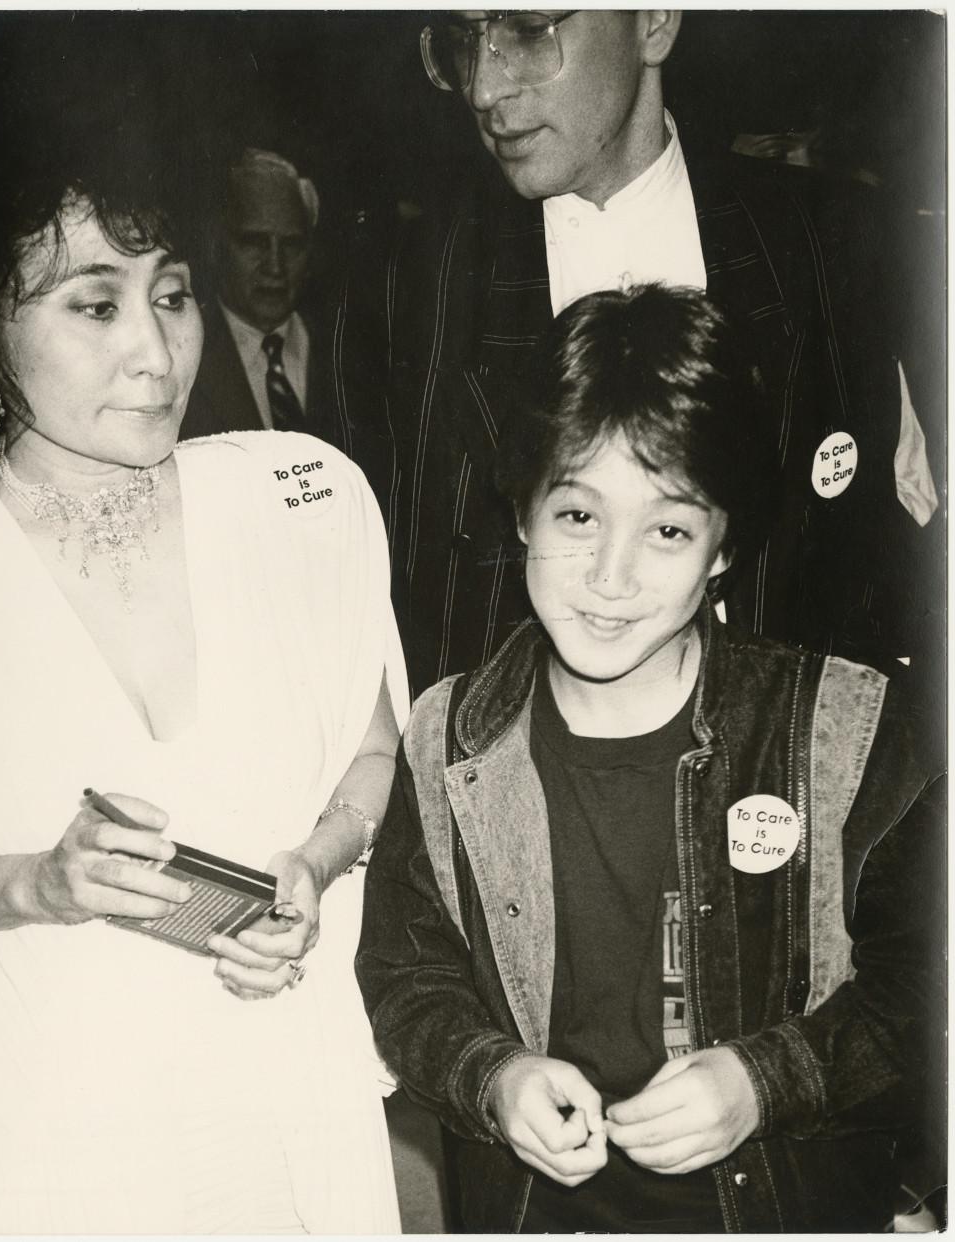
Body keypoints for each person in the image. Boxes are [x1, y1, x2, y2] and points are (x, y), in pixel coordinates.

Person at [356, 285, 944, 1233]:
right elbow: (403, 975)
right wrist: (491, 1077)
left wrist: (768, 1079)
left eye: (668, 529)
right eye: (578, 518)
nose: (612, 578)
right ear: (521, 516)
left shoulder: (847, 726)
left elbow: (926, 984)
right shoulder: (447, 738)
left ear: (723, 549)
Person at [0, 139, 407, 1234]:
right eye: (94, 306)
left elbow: (372, 748)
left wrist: (315, 860)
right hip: (55, 1137)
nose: (157, 355)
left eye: (171, 297)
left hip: (292, 1113)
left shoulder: (300, 495)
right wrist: (34, 886)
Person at [328, 10, 940, 698]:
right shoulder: (403, 291)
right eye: (464, 39)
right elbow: (362, 627)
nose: (482, 86)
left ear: (654, 23)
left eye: (528, 30)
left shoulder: (832, 243)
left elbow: (896, 576)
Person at [180, 147, 322, 439]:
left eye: (292, 244)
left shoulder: (359, 355)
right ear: (216, 246)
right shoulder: (182, 356)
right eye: (254, 242)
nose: (275, 266)